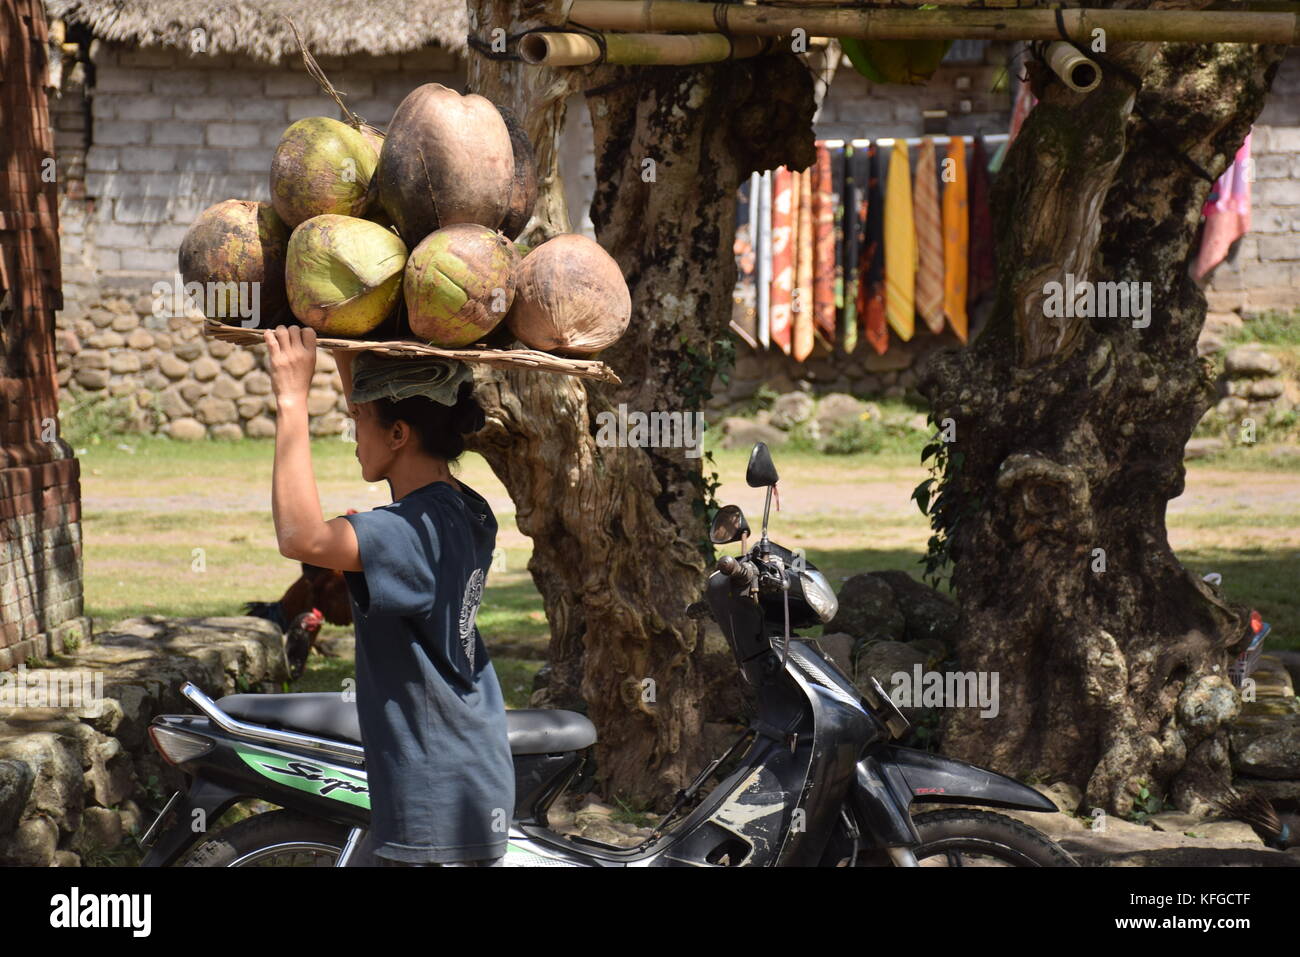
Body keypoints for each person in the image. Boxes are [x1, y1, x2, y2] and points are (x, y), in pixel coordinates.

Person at [263, 324, 514, 866]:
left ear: (399, 434)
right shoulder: (465, 509)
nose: (354, 433)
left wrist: (290, 399)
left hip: (433, 792)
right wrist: (345, 333)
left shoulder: (409, 531)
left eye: (359, 422)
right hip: (463, 770)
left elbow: (299, 537)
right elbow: (376, 404)